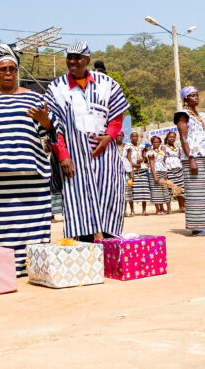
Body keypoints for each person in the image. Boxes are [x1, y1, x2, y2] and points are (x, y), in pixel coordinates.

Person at [0, 44, 58, 275]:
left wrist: (45, 121)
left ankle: (36, 267)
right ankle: (9, 271)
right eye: (3, 69)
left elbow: (50, 132)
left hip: (33, 174)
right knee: (4, 226)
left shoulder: (35, 97)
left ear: (17, 71)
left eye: (12, 69)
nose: (8, 73)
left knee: (35, 223)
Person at [45, 42, 129, 241]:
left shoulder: (106, 83)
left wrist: (109, 136)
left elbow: (117, 116)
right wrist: (63, 155)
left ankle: (110, 249)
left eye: (77, 57)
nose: (72, 61)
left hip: (105, 157)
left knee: (109, 199)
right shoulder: (56, 88)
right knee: (78, 204)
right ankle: (84, 254)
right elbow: (52, 126)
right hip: (75, 158)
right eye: (69, 57)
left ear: (87, 60)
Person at [174, 86, 205, 235]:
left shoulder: (201, 116)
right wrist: (191, 158)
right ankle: (198, 226)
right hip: (193, 157)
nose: (196, 97)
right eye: (192, 95)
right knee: (196, 192)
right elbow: (183, 138)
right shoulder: (183, 114)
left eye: (197, 95)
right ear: (185, 99)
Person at [145, 135, 170, 215]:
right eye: (155, 142)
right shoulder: (150, 153)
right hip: (154, 172)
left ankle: (164, 208)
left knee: (164, 190)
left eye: (158, 142)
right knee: (156, 191)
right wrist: (155, 176)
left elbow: (164, 162)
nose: (157, 143)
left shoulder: (162, 152)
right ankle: (158, 209)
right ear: (152, 143)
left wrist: (166, 173)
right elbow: (152, 164)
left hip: (162, 171)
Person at [127, 131, 150, 215]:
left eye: (136, 136)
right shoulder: (128, 147)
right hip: (133, 169)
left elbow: (144, 157)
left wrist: (142, 160)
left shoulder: (141, 147)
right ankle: (132, 211)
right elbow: (128, 158)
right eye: (133, 136)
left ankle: (144, 211)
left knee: (144, 190)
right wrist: (133, 165)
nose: (134, 138)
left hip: (142, 169)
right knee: (132, 191)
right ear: (130, 138)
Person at [163, 130, 186, 212]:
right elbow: (163, 159)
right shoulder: (164, 147)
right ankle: (169, 208)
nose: (172, 138)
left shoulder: (178, 148)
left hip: (178, 169)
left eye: (173, 137)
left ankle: (181, 206)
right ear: (167, 138)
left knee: (180, 188)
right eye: (170, 137)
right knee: (170, 188)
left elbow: (179, 158)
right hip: (169, 169)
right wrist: (165, 170)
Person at [116, 132, 135, 216]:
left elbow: (129, 159)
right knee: (120, 192)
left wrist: (132, 171)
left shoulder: (127, 147)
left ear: (123, 136)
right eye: (117, 135)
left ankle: (132, 210)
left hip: (126, 170)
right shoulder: (112, 146)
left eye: (120, 135)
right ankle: (122, 211)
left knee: (128, 191)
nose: (119, 137)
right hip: (116, 170)